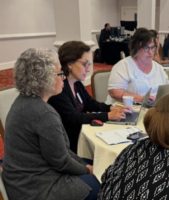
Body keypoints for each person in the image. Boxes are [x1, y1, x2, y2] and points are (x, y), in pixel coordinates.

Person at [3, 48, 100, 200]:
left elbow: (61, 154)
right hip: (36, 189)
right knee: (106, 181)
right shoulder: (43, 113)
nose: (63, 77)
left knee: (93, 162)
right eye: (60, 73)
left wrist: (87, 166)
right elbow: (61, 162)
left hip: (23, 180)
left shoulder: (24, 101)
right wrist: (88, 170)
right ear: (45, 78)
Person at [48, 41, 131, 153]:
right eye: (84, 64)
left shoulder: (76, 83)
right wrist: (108, 115)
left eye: (89, 64)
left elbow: (90, 103)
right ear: (70, 64)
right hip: (70, 145)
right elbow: (74, 118)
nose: (88, 69)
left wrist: (111, 108)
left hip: (81, 135)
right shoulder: (60, 88)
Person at [106, 28, 169, 104]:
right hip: (125, 110)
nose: (150, 52)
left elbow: (166, 90)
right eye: (146, 48)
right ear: (136, 48)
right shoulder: (123, 66)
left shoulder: (158, 68)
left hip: (152, 109)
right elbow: (114, 92)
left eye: (152, 47)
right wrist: (140, 99)